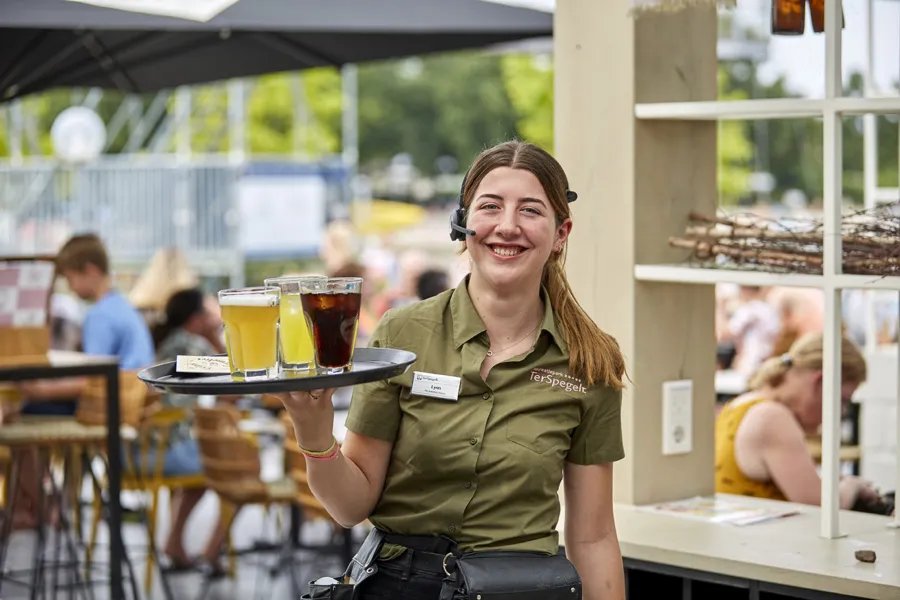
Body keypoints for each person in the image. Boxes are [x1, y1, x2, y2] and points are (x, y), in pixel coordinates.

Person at [277, 140, 627, 600]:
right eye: (490, 207)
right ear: (463, 224)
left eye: (530, 211)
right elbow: (349, 506)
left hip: (518, 588)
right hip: (398, 586)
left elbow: (594, 537)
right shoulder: (403, 332)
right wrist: (314, 431)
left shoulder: (590, 360)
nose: (507, 226)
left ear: (561, 233)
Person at [13, 234, 155, 529]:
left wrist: (42, 389)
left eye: (71, 277)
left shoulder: (100, 315)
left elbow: (93, 379)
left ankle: (41, 510)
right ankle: (50, 504)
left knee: (19, 417)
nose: (70, 286)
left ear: (90, 271)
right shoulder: (121, 307)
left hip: (108, 413)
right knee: (34, 409)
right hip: (131, 413)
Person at [715, 332, 880, 510]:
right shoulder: (772, 418)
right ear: (820, 382)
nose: (841, 412)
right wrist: (852, 485)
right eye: (842, 400)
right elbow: (822, 509)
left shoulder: (742, 404)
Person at [147, 288, 231, 570]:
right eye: (208, 314)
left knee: (203, 477)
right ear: (195, 319)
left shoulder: (171, 342)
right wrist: (215, 338)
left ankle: (175, 543)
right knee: (232, 474)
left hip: (158, 443)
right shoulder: (191, 345)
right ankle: (211, 551)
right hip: (170, 447)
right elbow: (233, 385)